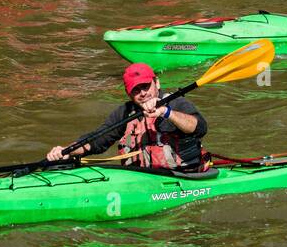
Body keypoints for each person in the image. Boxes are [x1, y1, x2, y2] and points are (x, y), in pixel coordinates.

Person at [45, 63, 210, 172]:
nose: (143, 93)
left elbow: (199, 127)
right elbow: (96, 141)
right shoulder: (125, 112)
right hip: (143, 179)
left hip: (184, 177)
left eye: (145, 86)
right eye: (136, 90)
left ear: (157, 83)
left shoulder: (175, 103)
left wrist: (166, 112)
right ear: (128, 93)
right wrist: (67, 151)